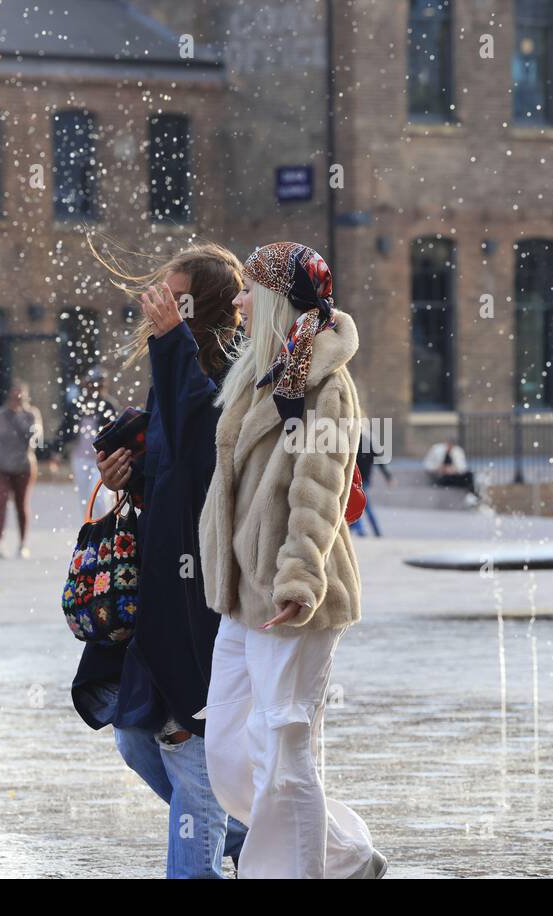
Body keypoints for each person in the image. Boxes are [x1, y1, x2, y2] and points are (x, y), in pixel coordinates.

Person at [198, 241, 384, 879]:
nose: (240, 300)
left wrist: (299, 575)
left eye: (251, 290)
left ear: (278, 297)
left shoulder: (327, 383)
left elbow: (321, 486)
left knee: (283, 749)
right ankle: (349, 855)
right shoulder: (259, 372)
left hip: (294, 590)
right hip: (242, 591)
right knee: (227, 751)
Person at [83, 242, 248, 878]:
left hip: (207, 590)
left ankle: (223, 853)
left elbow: (209, 450)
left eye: (175, 299)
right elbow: (177, 476)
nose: (160, 308)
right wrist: (129, 476)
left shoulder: (233, 372)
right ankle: (265, 839)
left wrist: (172, 341)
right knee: (135, 737)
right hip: (163, 582)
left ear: (199, 307)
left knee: (189, 748)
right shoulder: (172, 366)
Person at [0, 380, 43, 558]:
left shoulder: (32, 415)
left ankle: (23, 543)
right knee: (0, 503)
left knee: (21, 504)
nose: (16, 400)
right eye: (14, 396)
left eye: (20, 397)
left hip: (23, 466)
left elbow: (35, 440)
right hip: (1, 466)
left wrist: (19, 417)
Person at [64, 369, 119, 510]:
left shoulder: (108, 406)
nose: (92, 387)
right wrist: (57, 451)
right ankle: (89, 528)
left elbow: (117, 432)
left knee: (100, 498)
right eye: (90, 384)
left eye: (97, 385)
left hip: (101, 458)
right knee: (85, 499)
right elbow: (65, 427)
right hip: (79, 458)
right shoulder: (76, 405)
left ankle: (106, 525)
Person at [349, 430, 393, 537]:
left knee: (361, 506)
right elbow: (380, 462)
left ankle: (360, 529)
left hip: (357, 481)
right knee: (361, 506)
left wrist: (388, 476)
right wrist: (388, 477)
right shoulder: (367, 446)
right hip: (363, 481)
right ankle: (370, 530)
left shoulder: (353, 446)